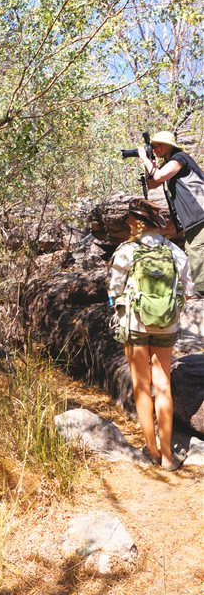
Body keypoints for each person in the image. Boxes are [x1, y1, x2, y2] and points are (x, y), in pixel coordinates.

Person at [108, 198, 194, 471]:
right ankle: (168, 455)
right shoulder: (175, 252)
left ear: (137, 222)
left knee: (142, 386)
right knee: (163, 385)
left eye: (129, 220)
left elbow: (114, 290)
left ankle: (152, 450)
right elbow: (188, 291)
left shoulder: (127, 251)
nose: (127, 224)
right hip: (166, 325)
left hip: (135, 325)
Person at [137, 131, 204, 296]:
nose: (155, 148)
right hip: (192, 216)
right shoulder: (168, 163)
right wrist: (149, 162)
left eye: (157, 145)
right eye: (153, 146)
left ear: (168, 146)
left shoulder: (180, 158)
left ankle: (200, 290)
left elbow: (159, 176)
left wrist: (144, 158)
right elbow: (152, 183)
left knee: (195, 248)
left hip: (199, 211)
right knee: (193, 247)